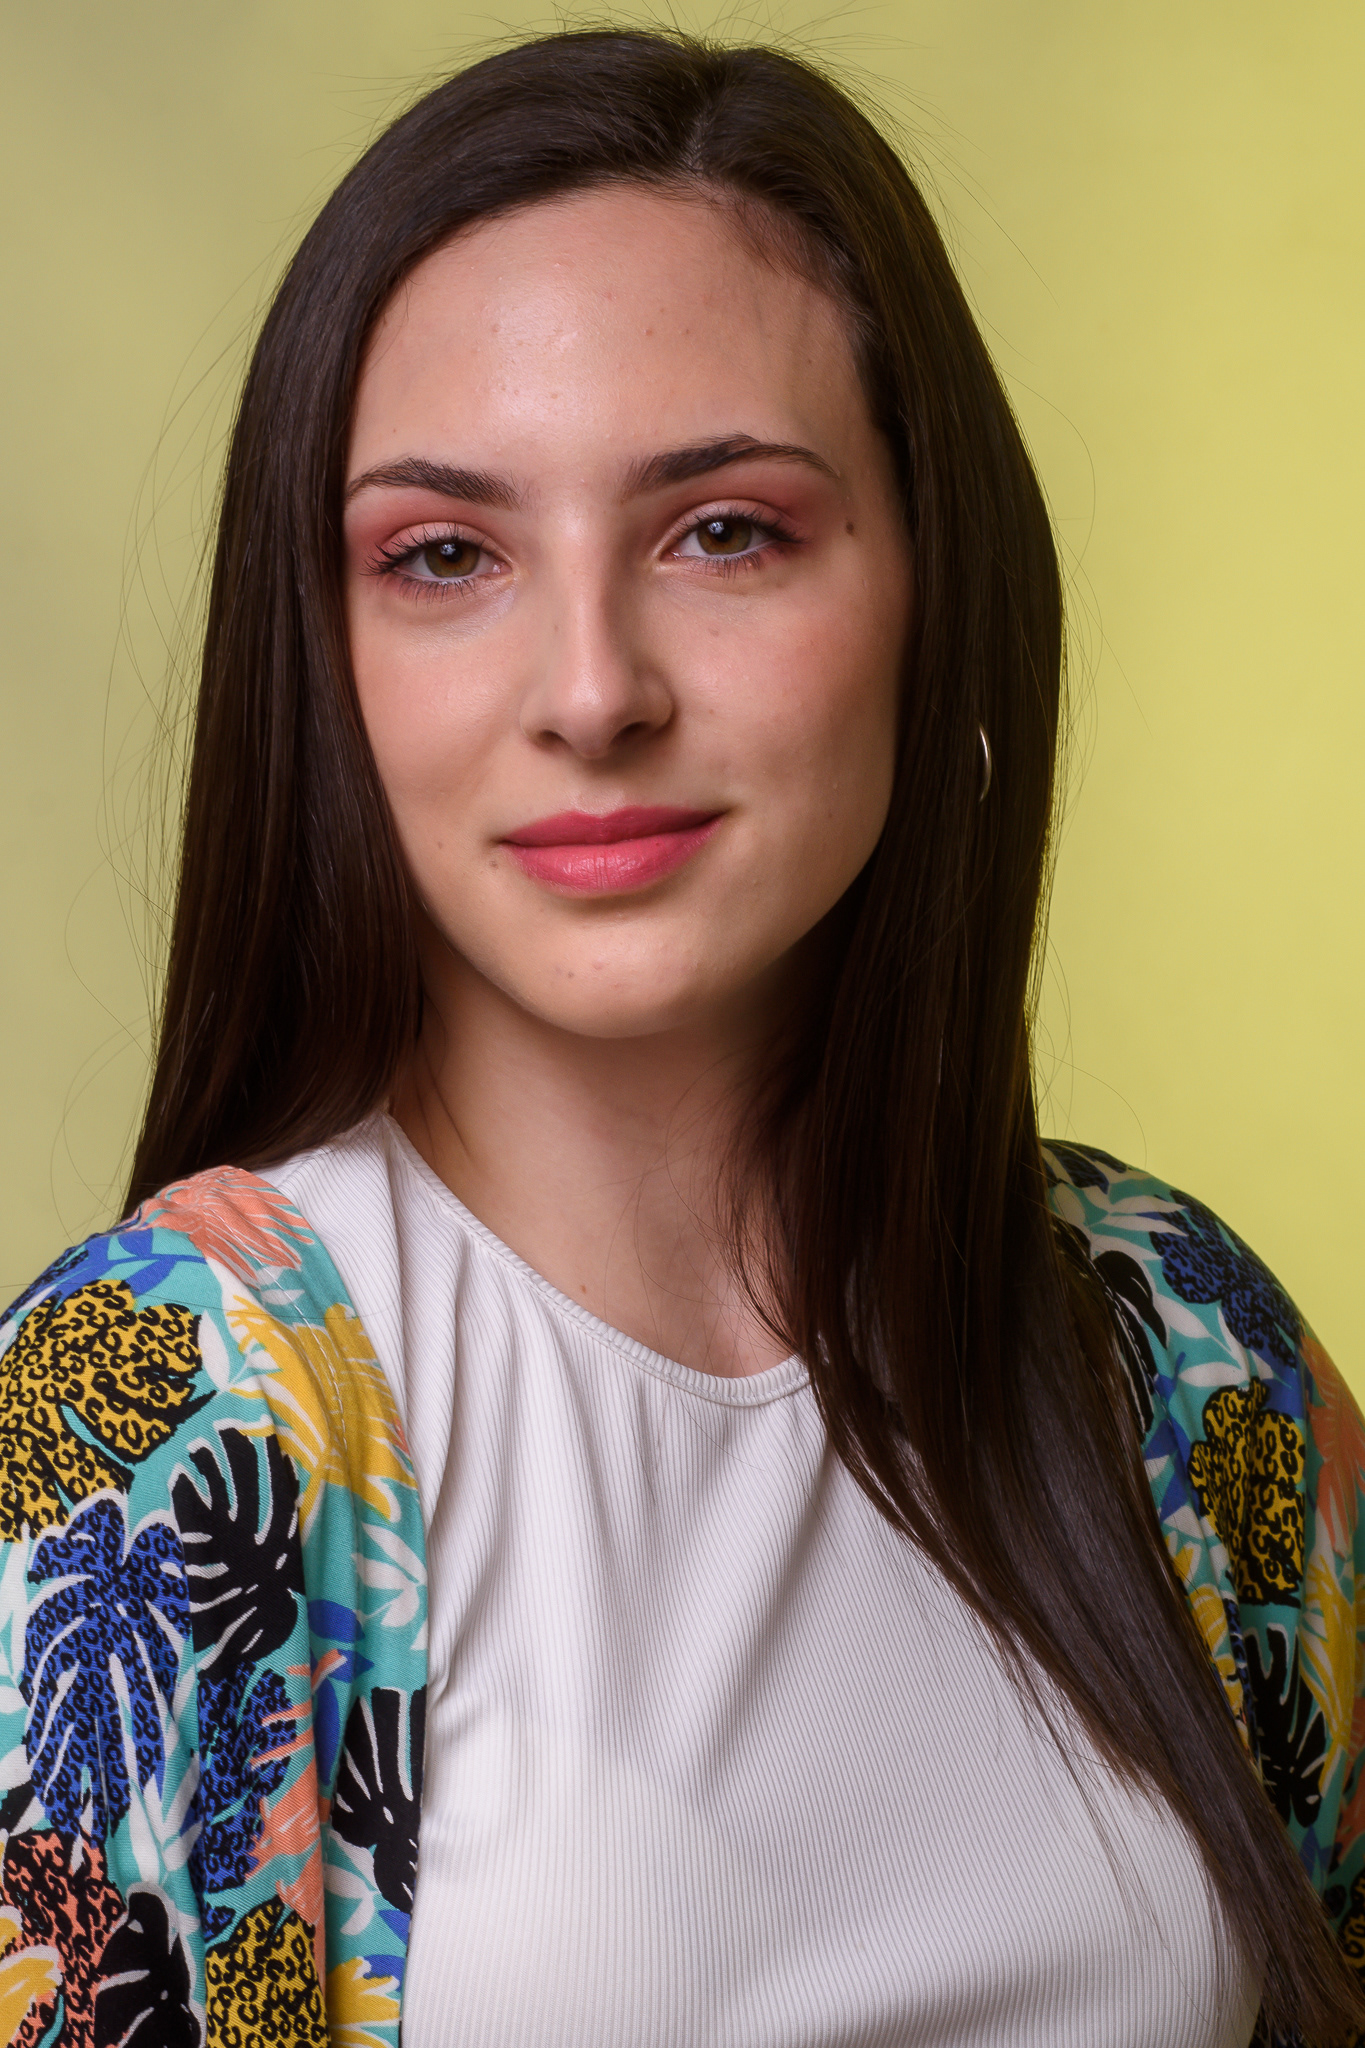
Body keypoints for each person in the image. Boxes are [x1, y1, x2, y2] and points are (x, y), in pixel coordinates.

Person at [0, 27, 1360, 2048]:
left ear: (936, 586)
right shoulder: (161, 1411)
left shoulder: (1178, 1347)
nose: (590, 689)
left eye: (722, 529)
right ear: (324, 658)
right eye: (444, 556)